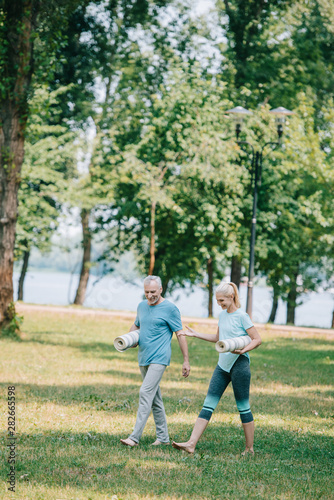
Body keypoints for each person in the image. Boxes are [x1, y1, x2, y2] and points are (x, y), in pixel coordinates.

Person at [172, 282, 261, 456]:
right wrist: (196, 334)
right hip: (222, 366)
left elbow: (257, 339)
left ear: (231, 297)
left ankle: (249, 449)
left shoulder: (242, 316)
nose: (220, 304)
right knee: (208, 404)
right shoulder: (222, 316)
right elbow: (218, 338)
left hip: (239, 364)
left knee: (243, 406)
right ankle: (191, 444)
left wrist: (244, 349)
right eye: (217, 301)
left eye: (222, 300)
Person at [120, 275, 191, 447]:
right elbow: (136, 325)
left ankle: (134, 437)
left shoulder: (170, 309)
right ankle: (163, 437)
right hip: (143, 356)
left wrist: (186, 360)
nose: (150, 295)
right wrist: (126, 340)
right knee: (155, 399)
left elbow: (179, 334)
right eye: (146, 292)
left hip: (160, 358)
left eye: (153, 291)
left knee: (145, 392)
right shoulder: (142, 306)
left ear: (160, 289)